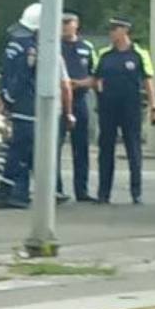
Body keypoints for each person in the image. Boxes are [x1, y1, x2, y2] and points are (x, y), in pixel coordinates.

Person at [0, 3, 75, 209]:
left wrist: (7, 100)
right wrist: (12, 99)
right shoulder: (31, 49)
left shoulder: (16, 44)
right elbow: (21, 77)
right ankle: (15, 194)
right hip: (30, 107)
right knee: (25, 152)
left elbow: (7, 76)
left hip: (21, 106)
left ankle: (10, 192)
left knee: (19, 151)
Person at [94, 17, 155, 205]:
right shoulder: (104, 54)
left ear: (125, 30)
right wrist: (100, 93)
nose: (111, 32)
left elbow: (148, 80)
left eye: (114, 29)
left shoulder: (139, 54)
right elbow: (96, 77)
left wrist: (154, 106)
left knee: (133, 148)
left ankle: (136, 191)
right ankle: (103, 193)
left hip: (130, 107)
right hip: (108, 108)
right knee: (105, 149)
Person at [58, 12, 97, 203]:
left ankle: (81, 190)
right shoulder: (54, 46)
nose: (65, 26)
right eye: (62, 23)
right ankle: (55, 190)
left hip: (79, 99)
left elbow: (95, 76)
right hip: (58, 101)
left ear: (76, 25)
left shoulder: (86, 47)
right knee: (54, 146)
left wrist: (78, 84)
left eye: (68, 23)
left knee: (80, 148)